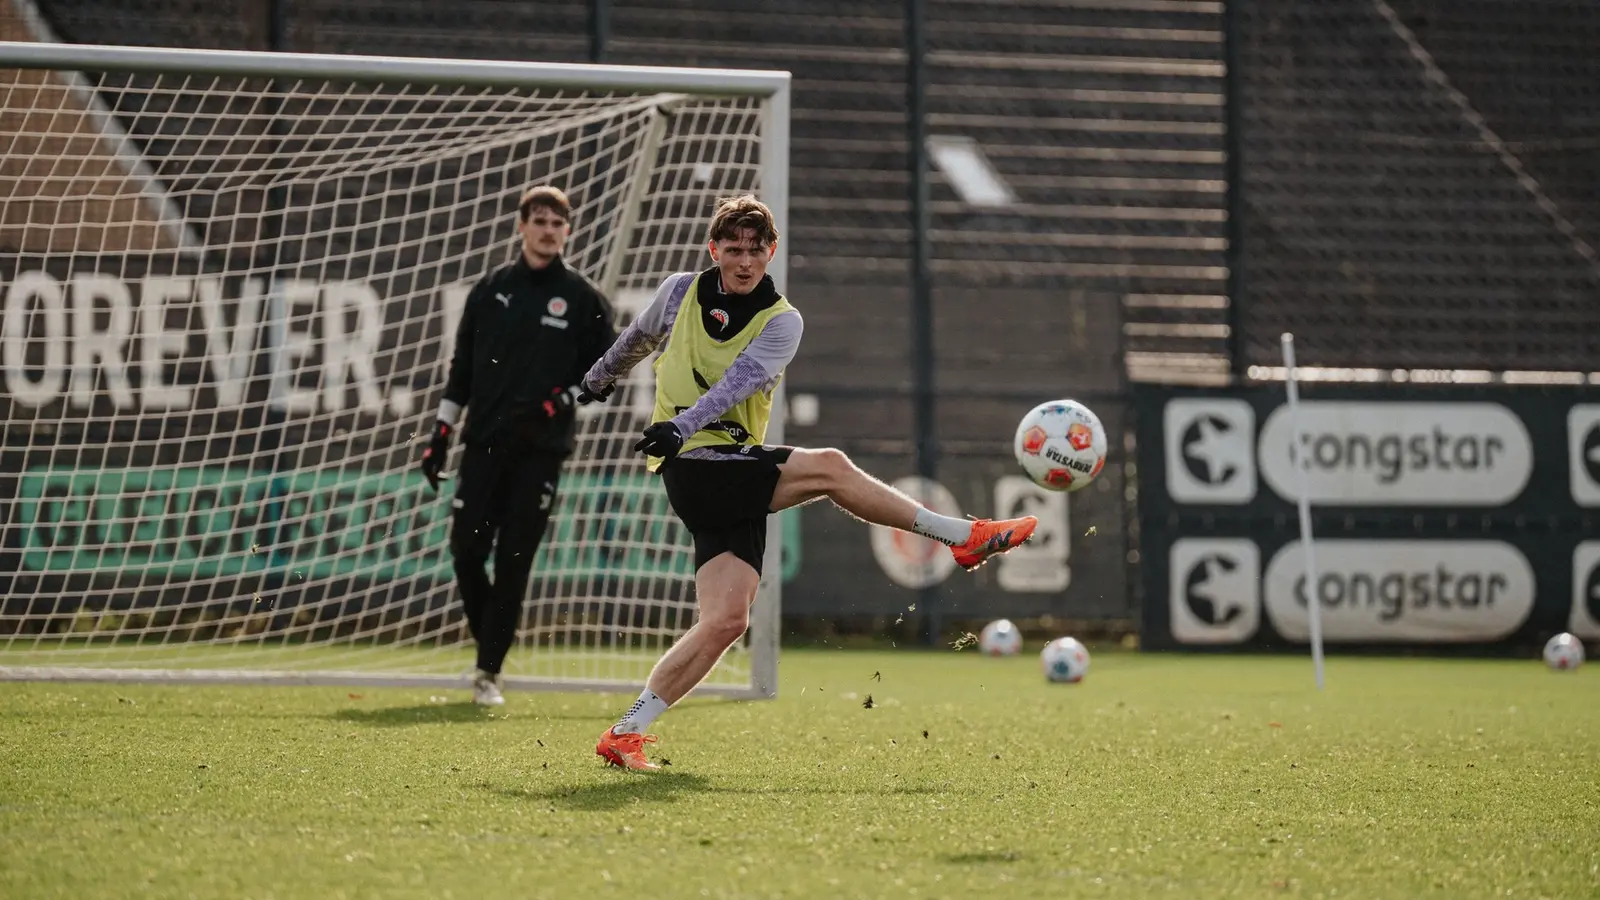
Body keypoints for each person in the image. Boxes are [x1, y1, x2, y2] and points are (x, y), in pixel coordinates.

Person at [576, 194, 1037, 769]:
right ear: (713, 249)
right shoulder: (678, 292)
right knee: (831, 467)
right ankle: (961, 536)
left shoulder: (783, 321)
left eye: (755, 250)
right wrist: (594, 382)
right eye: (733, 249)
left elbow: (736, 386)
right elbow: (637, 341)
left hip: (720, 461)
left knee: (726, 621)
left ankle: (625, 731)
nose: (744, 262)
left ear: (772, 252)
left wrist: (678, 425)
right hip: (697, 469)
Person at [418, 185, 615, 706]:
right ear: (521, 225)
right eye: (540, 220)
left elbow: (607, 372)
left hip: (541, 451)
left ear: (567, 230)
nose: (548, 229)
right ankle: (494, 640)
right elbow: (460, 370)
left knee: (514, 559)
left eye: (557, 222)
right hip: (482, 443)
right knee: (465, 550)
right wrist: (441, 433)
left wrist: (562, 401)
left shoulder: (582, 298)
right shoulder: (490, 290)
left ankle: (488, 671)